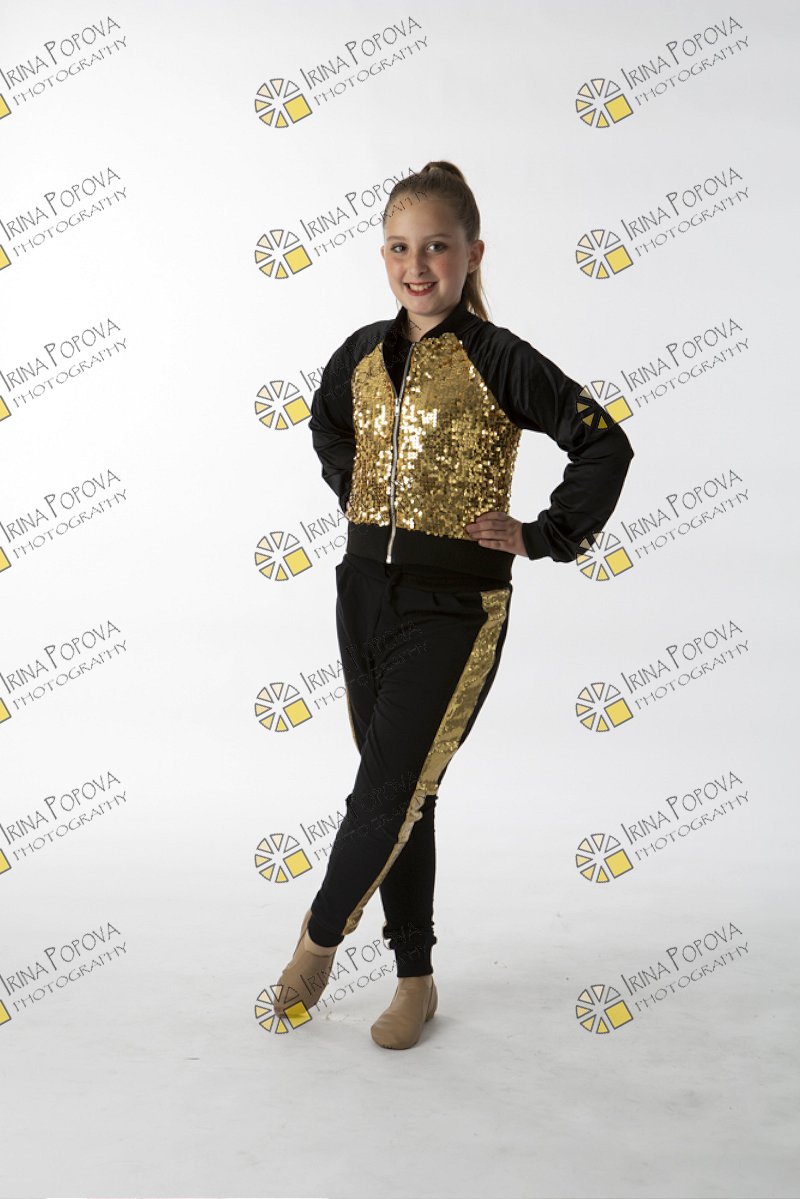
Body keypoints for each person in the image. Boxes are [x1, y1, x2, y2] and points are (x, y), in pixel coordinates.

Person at [273, 161, 634, 1049]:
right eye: (400, 248)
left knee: (386, 791)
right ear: (383, 257)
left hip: (455, 605)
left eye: (436, 246)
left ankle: (317, 938)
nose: (417, 265)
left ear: (472, 254)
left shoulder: (498, 357)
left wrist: (542, 534)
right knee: (408, 794)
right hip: (363, 593)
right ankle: (415, 978)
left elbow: (604, 445)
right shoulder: (361, 353)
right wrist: (362, 496)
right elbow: (327, 422)